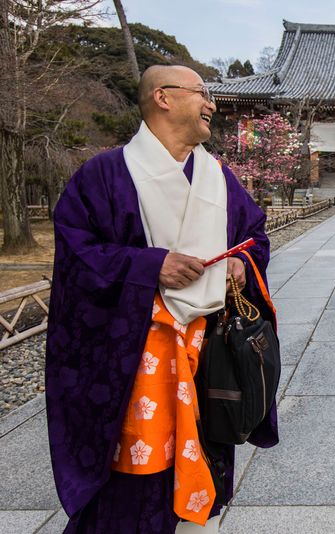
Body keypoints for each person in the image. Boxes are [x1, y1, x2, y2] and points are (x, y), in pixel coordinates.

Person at [45, 65, 279, 533]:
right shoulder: (104, 174)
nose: (212, 104)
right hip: (135, 352)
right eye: (202, 94)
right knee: (137, 470)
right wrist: (151, 266)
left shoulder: (217, 175)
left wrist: (241, 263)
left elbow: (254, 234)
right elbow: (77, 254)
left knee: (206, 456)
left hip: (209, 351)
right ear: (163, 98)